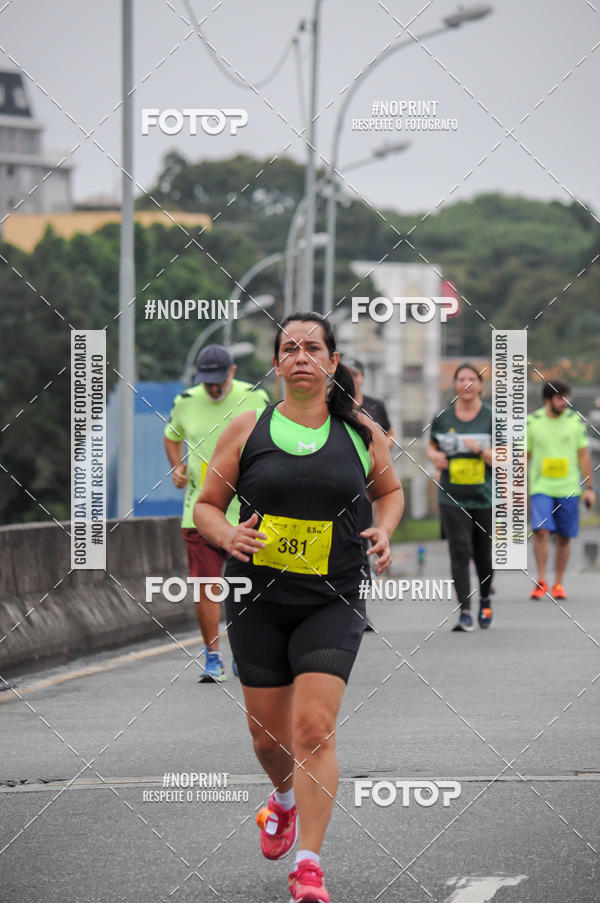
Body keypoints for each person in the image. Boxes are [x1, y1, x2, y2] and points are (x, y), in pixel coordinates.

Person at [194, 313, 404, 903]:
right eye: (290, 348)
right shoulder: (246, 429)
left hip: (331, 597)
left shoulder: (363, 432)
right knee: (268, 739)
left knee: (314, 729)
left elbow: (389, 492)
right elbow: (209, 505)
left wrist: (385, 531)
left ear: (332, 362)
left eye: (314, 347)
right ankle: (281, 801)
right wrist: (227, 535)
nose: (302, 356)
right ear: (278, 362)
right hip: (258, 599)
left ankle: (308, 864)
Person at [163, 344, 269, 682]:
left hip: (247, 512)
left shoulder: (255, 397)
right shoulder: (186, 402)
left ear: (233, 372)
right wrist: (177, 467)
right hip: (201, 511)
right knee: (206, 586)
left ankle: (244, 651)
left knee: (249, 587)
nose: (212, 387)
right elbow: (171, 436)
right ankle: (212, 656)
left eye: (218, 380)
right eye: (206, 380)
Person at [427, 363, 493, 632]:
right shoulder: (443, 417)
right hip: (451, 495)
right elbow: (431, 448)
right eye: (461, 379)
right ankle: (465, 611)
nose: (466, 383)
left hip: (484, 496)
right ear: (455, 385)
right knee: (459, 549)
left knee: (482, 554)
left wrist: (481, 451)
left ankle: (486, 600)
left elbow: (506, 457)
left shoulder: (492, 417)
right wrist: (436, 458)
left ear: (480, 385)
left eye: (471, 379)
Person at [527, 380, 595, 600]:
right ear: (548, 399)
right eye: (560, 398)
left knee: (565, 537)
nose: (565, 402)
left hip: (569, 488)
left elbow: (584, 455)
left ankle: (558, 582)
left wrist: (589, 488)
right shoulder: (533, 421)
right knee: (541, 530)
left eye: (567, 398)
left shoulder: (575, 422)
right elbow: (524, 457)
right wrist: (515, 488)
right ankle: (541, 579)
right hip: (541, 487)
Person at [345, 357, 395, 632]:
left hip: (365, 488)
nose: (352, 378)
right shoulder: (332, 407)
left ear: (362, 377)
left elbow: (390, 436)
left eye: (355, 374)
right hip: (337, 487)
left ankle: (360, 610)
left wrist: (373, 445)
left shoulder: (375, 406)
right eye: (347, 374)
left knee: (360, 548)